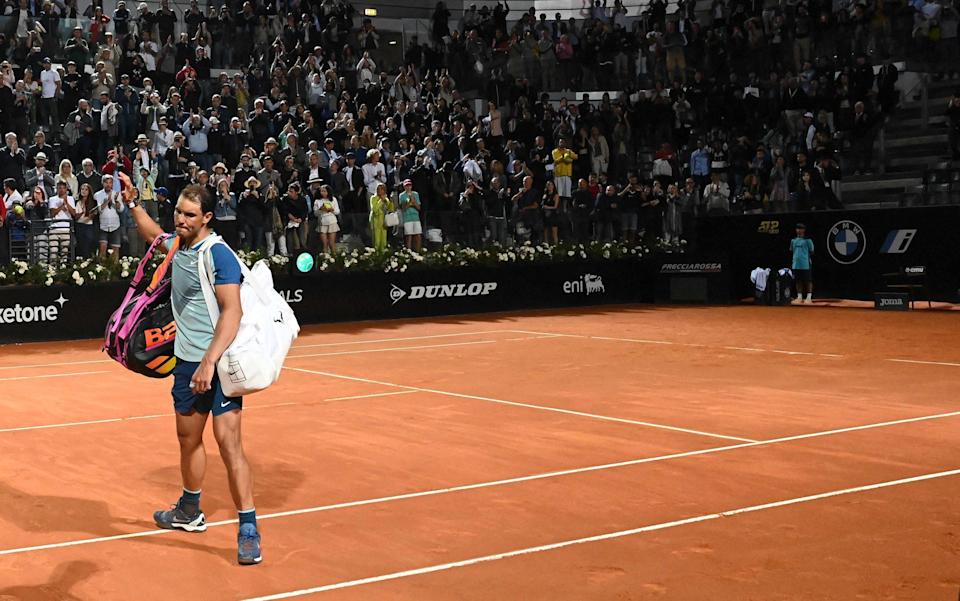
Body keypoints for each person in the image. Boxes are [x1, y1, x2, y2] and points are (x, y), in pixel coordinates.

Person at [125, 178, 262, 566]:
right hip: (186, 363)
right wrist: (133, 202)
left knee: (228, 441)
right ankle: (189, 509)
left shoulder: (218, 255)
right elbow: (153, 233)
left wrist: (209, 362)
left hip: (218, 364)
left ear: (206, 216)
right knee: (188, 438)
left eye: (189, 215)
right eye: (178, 214)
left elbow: (232, 312)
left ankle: (248, 527)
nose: (180, 221)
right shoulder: (180, 246)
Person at [790, 223, 814, 304]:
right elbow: (792, 251)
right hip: (796, 264)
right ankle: (799, 297)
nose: (799, 230)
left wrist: (804, 257)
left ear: (804, 230)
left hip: (806, 264)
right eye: (797, 229)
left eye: (801, 229)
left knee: (808, 281)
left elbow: (811, 251)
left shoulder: (808, 240)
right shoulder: (793, 241)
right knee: (798, 281)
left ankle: (809, 298)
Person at [313, 183, 340, 254]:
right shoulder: (317, 201)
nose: (323, 192)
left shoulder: (333, 199)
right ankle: (325, 259)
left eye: (324, 191)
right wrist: (321, 209)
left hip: (332, 222)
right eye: (321, 191)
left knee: (332, 243)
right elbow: (315, 213)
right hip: (322, 222)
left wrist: (332, 210)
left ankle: (335, 258)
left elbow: (337, 211)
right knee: (324, 244)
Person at [369, 183, 395, 252]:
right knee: (377, 241)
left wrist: (391, 202)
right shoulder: (373, 198)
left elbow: (391, 210)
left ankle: (383, 256)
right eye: (379, 189)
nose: (380, 191)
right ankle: (376, 256)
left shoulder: (386, 199)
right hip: (375, 222)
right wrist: (381, 201)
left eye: (382, 189)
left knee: (384, 241)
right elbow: (374, 209)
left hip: (384, 223)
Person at [398, 179, 422, 251]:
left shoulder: (415, 194)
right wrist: (409, 202)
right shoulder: (402, 195)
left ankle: (418, 252)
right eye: (406, 186)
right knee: (409, 236)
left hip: (416, 218)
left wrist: (414, 203)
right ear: (404, 187)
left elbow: (419, 207)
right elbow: (403, 208)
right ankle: (409, 253)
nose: (408, 187)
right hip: (407, 218)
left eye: (409, 185)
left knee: (418, 235)